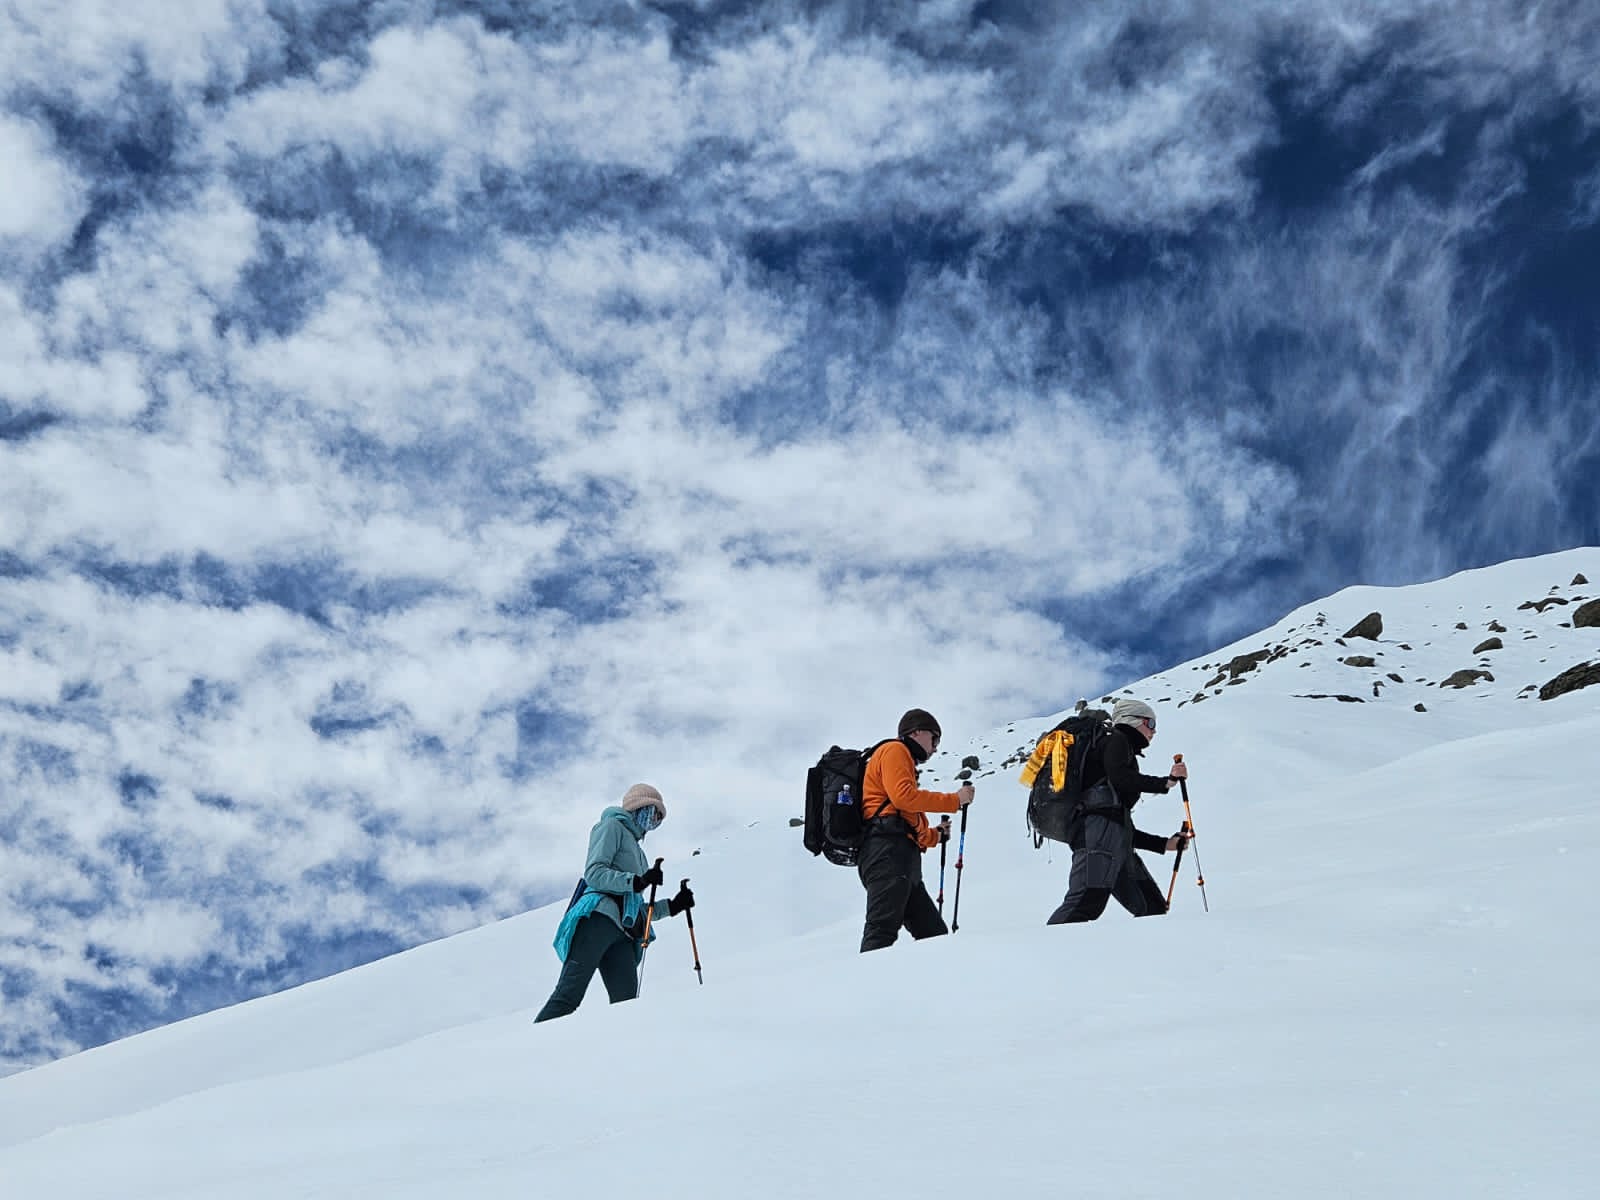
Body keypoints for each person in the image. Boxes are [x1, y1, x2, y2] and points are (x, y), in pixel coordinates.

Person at [535, 784, 694, 1022]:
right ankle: (530, 1052)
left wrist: (673, 905)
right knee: (569, 995)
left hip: (624, 932)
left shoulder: (639, 852)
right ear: (637, 807)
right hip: (598, 918)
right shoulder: (611, 826)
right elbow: (595, 873)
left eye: (659, 820)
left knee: (627, 1003)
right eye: (653, 814)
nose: (655, 822)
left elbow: (636, 905)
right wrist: (637, 881)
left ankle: (625, 1054)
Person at [1045, 698, 1189, 925]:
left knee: (1152, 906)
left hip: (1113, 845)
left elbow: (1118, 823)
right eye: (1149, 724)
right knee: (1085, 901)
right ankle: (1047, 954)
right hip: (1095, 839)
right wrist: (1166, 782)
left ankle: (1152, 959)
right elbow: (1120, 779)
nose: (1153, 731)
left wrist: (1164, 844)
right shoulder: (1116, 740)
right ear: (1132, 721)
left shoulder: (1121, 752)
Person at [857, 708, 975, 952]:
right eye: (935, 739)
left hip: (900, 857)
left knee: (933, 934)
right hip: (887, 853)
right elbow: (903, 798)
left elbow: (905, 813)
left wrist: (935, 835)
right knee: (882, 930)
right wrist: (954, 800)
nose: (935, 748)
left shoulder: (903, 761)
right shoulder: (894, 750)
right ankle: (867, 987)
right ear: (917, 732)